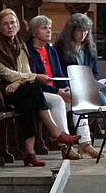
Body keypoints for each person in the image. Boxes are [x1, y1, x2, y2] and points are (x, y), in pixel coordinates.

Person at [0, 9, 81, 167]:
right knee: (34, 87)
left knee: (29, 103)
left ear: (18, 26)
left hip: (18, 88)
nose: (10, 26)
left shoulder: (19, 44)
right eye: (6, 24)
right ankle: (55, 133)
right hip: (2, 91)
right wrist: (32, 78)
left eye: (13, 23)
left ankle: (30, 153)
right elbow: (7, 74)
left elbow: (24, 72)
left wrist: (19, 82)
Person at [26, 15, 99, 160]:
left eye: (50, 28)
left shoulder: (50, 50)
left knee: (77, 96)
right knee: (58, 101)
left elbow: (59, 74)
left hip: (55, 90)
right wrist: (58, 92)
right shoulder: (28, 51)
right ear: (35, 32)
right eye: (44, 28)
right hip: (39, 92)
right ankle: (66, 146)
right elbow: (32, 79)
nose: (49, 31)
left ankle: (85, 142)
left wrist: (65, 89)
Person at [55, 12, 101, 79]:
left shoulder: (90, 48)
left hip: (88, 86)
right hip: (69, 86)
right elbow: (59, 74)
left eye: (85, 31)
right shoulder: (59, 48)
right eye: (79, 31)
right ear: (71, 31)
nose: (83, 35)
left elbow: (95, 73)